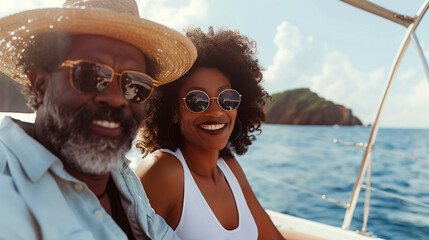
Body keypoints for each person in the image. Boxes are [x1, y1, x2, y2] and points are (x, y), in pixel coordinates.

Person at [0, 0, 196, 239]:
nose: (116, 98)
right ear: (41, 85)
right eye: (90, 75)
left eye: (135, 85)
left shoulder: (123, 179)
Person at [135, 26, 286, 240]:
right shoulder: (163, 171)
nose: (216, 111)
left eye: (227, 99)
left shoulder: (230, 167)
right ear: (174, 112)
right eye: (197, 100)